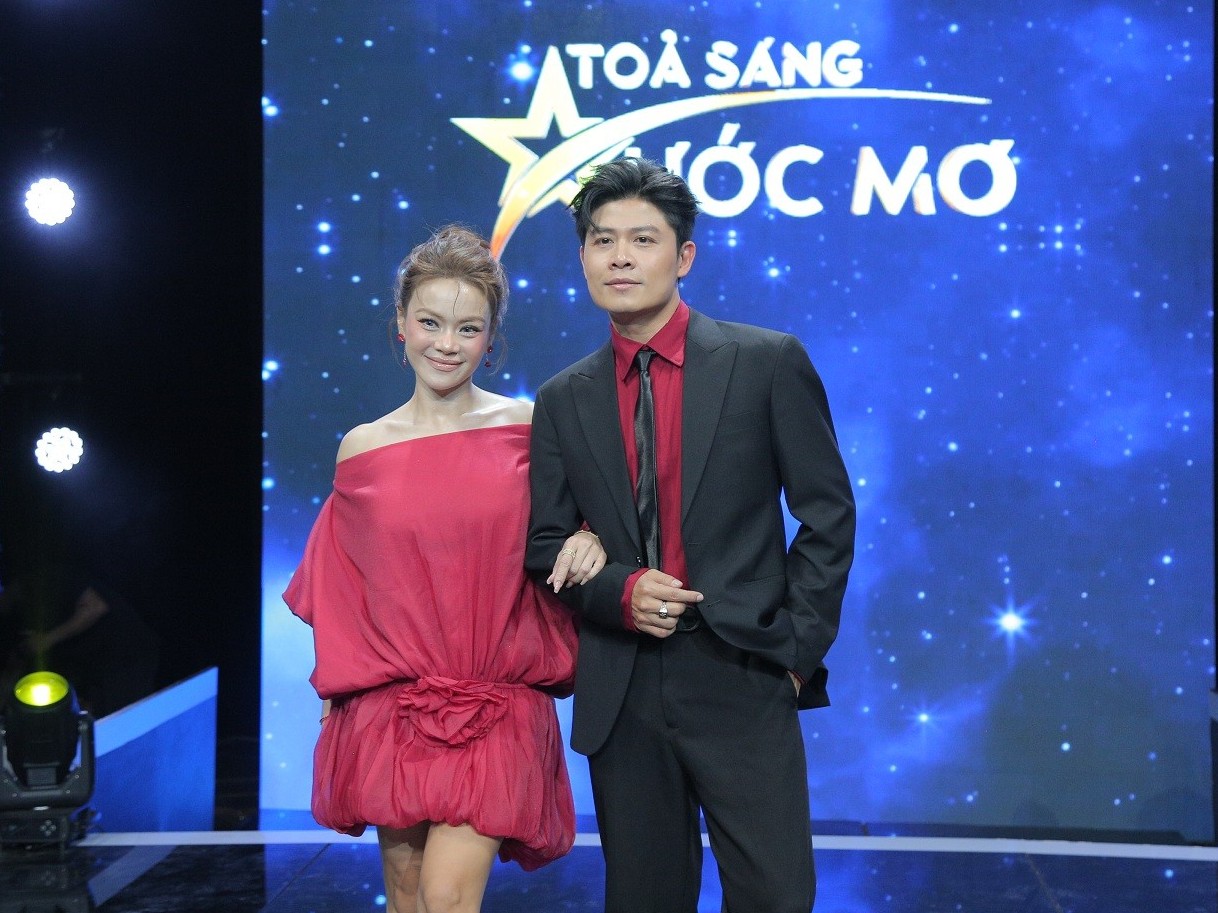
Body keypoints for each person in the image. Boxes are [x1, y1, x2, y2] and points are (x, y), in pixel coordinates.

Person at [526, 158, 856, 913]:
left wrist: (793, 652)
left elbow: (829, 513)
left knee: (775, 897)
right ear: (583, 257)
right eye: (602, 240)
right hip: (624, 686)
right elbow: (544, 545)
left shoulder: (764, 362)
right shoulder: (563, 398)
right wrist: (620, 590)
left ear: (683, 256)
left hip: (741, 667)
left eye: (642, 239)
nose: (620, 257)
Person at [283, 225, 605, 913]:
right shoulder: (361, 448)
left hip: (495, 701)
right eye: (430, 322)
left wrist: (594, 539)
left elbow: (583, 521)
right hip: (390, 705)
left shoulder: (528, 429)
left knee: (447, 894)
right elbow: (343, 584)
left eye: (468, 327)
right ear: (401, 323)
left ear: (491, 339)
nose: (447, 344)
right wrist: (335, 688)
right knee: (407, 894)